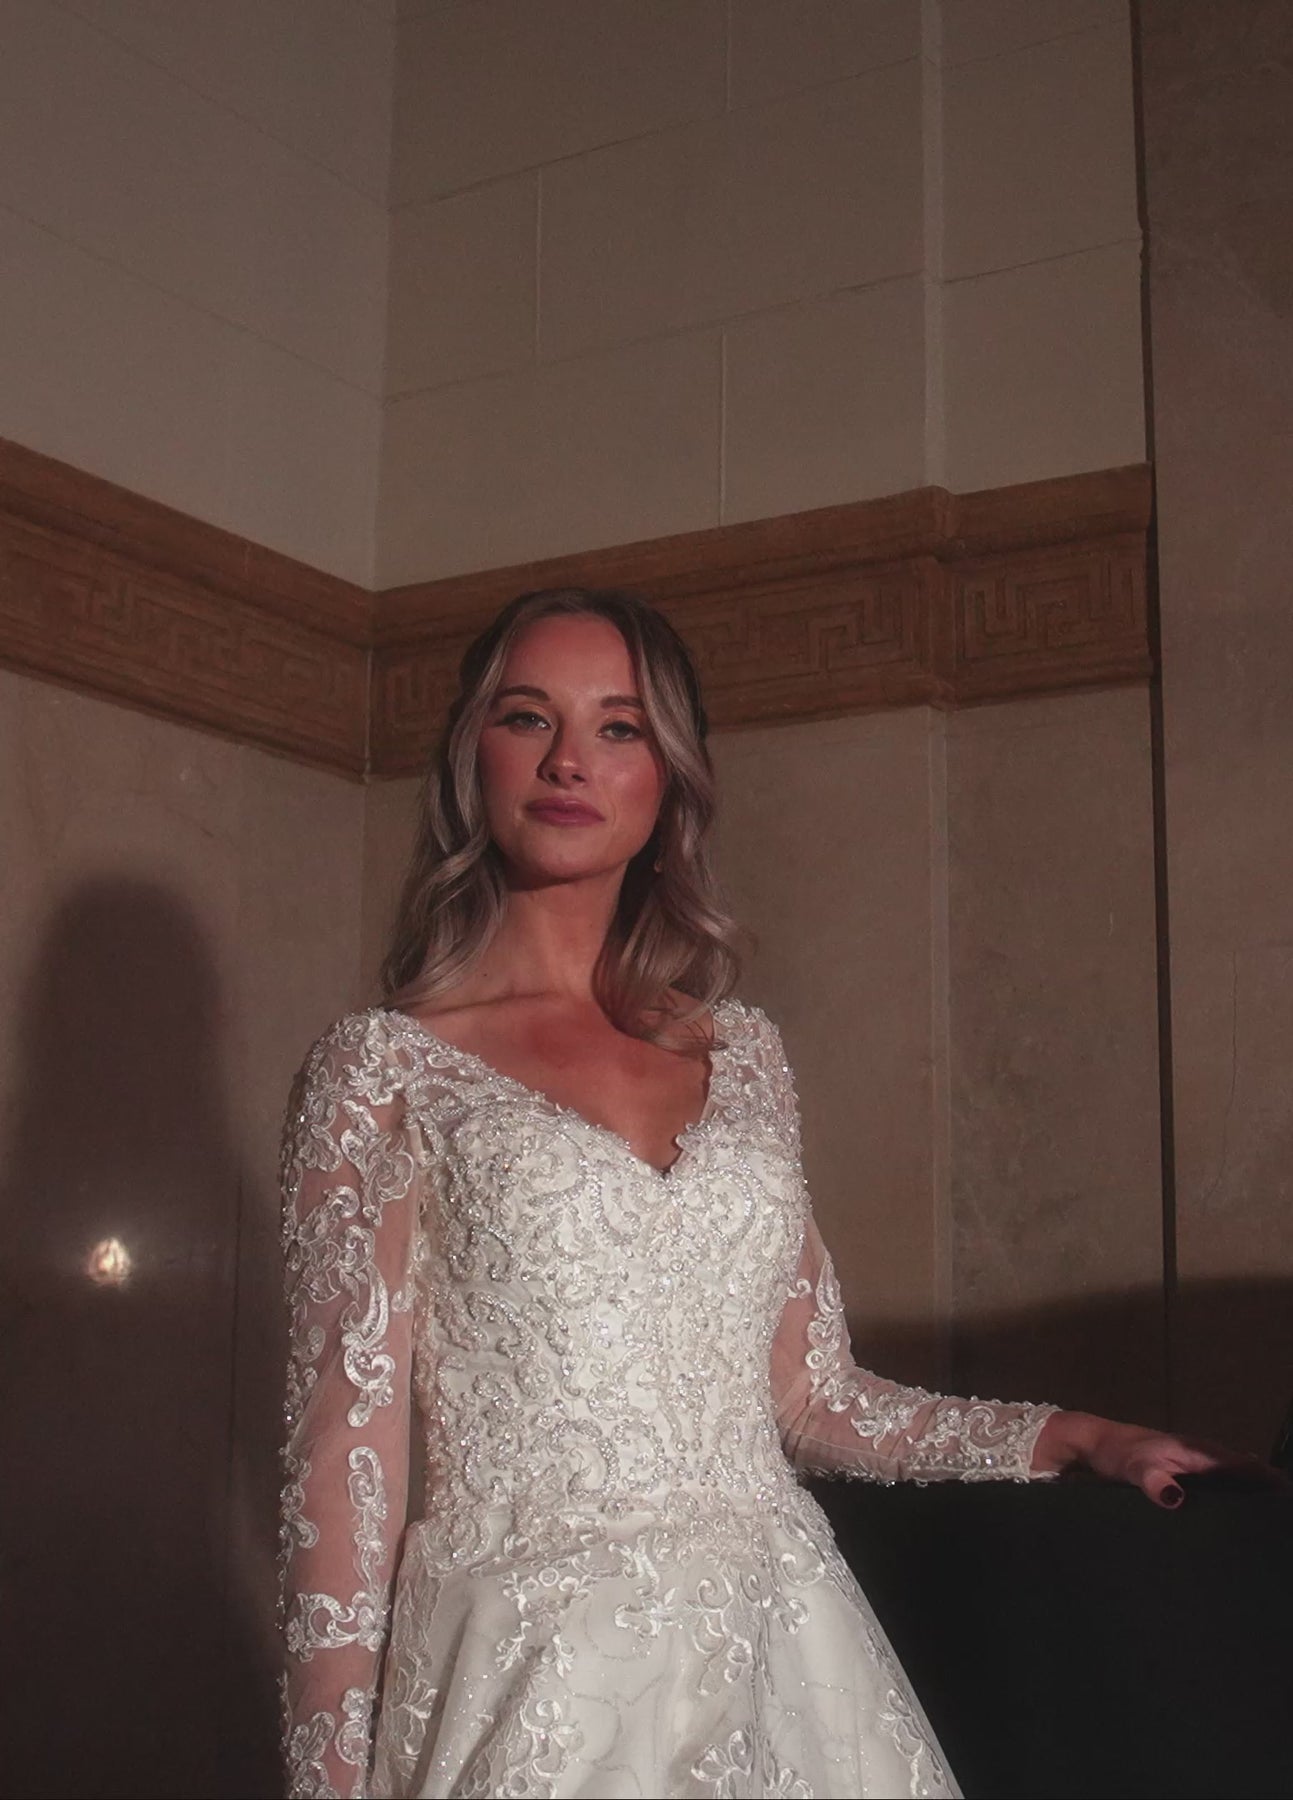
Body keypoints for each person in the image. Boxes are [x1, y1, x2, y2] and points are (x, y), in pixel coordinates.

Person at [278, 588, 1228, 1800]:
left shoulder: (745, 1057)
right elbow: (341, 1479)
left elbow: (813, 1396)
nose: (570, 760)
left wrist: (1074, 1437)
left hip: (783, 1652)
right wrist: (325, 1784)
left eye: (619, 727)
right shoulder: (383, 1068)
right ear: (473, 756)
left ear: (669, 777)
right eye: (528, 717)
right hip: (534, 1681)